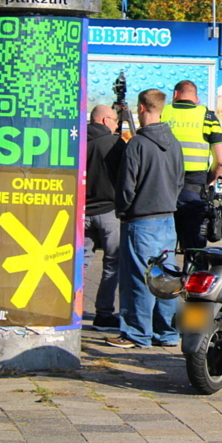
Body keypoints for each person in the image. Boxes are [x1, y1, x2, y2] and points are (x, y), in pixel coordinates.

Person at [108, 89, 184, 349]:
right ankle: (167, 333)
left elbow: (126, 186)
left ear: (141, 108)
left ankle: (137, 333)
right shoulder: (174, 142)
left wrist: (123, 211)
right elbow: (179, 181)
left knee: (139, 279)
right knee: (166, 279)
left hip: (141, 220)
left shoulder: (137, 144)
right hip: (167, 219)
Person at [161, 80, 222, 251]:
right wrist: (209, 180)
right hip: (195, 188)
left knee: (164, 246)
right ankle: (192, 275)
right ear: (196, 99)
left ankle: (165, 275)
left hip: (165, 186)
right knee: (195, 246)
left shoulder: (163, 112)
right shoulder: (208, 116)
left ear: (175, 95)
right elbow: (220, 161)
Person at [84, 105, 126, 332]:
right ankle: (103, 314)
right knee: (112, 264)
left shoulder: (76, 141)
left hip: (81, 213)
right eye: (114, 120)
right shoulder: (115, 143)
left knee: (80, 262)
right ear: (103, 120)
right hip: (109, 212)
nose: (117, 124)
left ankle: (71, 308)